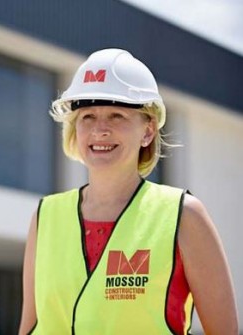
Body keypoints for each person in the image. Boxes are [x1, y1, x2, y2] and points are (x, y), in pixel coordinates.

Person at [18, 48, 238, 334]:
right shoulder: (45, 217)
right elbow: (30, 326)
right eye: (88, 117)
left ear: (147, 130)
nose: (100, 130)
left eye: (117, 115)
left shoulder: (183, 216)